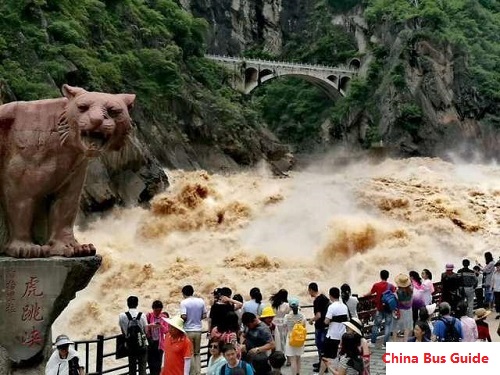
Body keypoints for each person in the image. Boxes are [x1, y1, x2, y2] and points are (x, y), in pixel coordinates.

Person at [319, 287, 348, 375]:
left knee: (326, 357)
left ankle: (321, 374)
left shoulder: (331, 307)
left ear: (330, 295)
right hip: (342, 335)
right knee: (339, 357)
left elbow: (326, 321)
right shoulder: (344, 306)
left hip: (332, 335)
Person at [180, 285, 207, 375]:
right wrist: (196, 318)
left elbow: (184, 316)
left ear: (184, 293)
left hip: (188, 330)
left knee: (190, 353)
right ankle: (198, 372)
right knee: (197, 353)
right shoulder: (200, 301)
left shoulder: (184, 302)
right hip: (198, 330)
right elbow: (204, 315)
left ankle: (192, 372)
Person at [365, 270, 396, 348]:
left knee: (376, 325)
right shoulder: (391, 286)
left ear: (380, 276)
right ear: (388, 276)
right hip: (388, 309)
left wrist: (364, 294)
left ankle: (372, 343)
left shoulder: (376, 285)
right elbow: (395, 294)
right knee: (388, 326)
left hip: (379, 308)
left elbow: (371, 293)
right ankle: (385, 345)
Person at [119, 295, 148, 375]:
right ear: (137, 304)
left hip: (130, 345)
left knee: (132, 369)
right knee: (142, 369)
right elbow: (146, 330)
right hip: (142, 345)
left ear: (127, 304)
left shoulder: (122, 316)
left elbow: (123, 331)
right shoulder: (142, 315)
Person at [307, 282, 330, 372]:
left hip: (320, 326)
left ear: (311, 290)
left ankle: (323, 366)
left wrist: (311, 320)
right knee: (324, 346)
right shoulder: (324, 297)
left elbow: (318, 315)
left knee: (320, 346)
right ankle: (321, 362)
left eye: (309, 291)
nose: (309, 293)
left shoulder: (317, 300)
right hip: (326, 325)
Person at [146, 300, 169, 375]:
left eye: (159, 310)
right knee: (151, 363)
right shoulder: (148, 316)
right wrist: (150, 325)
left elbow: (167, 331)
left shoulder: (164, 317)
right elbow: (144, 328)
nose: (158, 312)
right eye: (156, 310)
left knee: (158, 365)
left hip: (160, 344)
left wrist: (161, 326)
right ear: (153, 309)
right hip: (150, 343)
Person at [284, 297, 306, 375]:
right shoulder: (302, 316)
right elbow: (304, 327)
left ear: (289, 306)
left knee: (292, 359)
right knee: (298, 358)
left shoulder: (287, 317)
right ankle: (298, 373)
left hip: (290, 339)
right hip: (300, 338)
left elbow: (285, 327)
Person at [393, 273, 413, 342]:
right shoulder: (411, 290)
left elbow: (397, 301)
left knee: (395, 326)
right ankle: (405, 340)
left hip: (400, 310)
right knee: (406, 326)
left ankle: (395, 341)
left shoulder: (398, 292)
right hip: (409, 310)